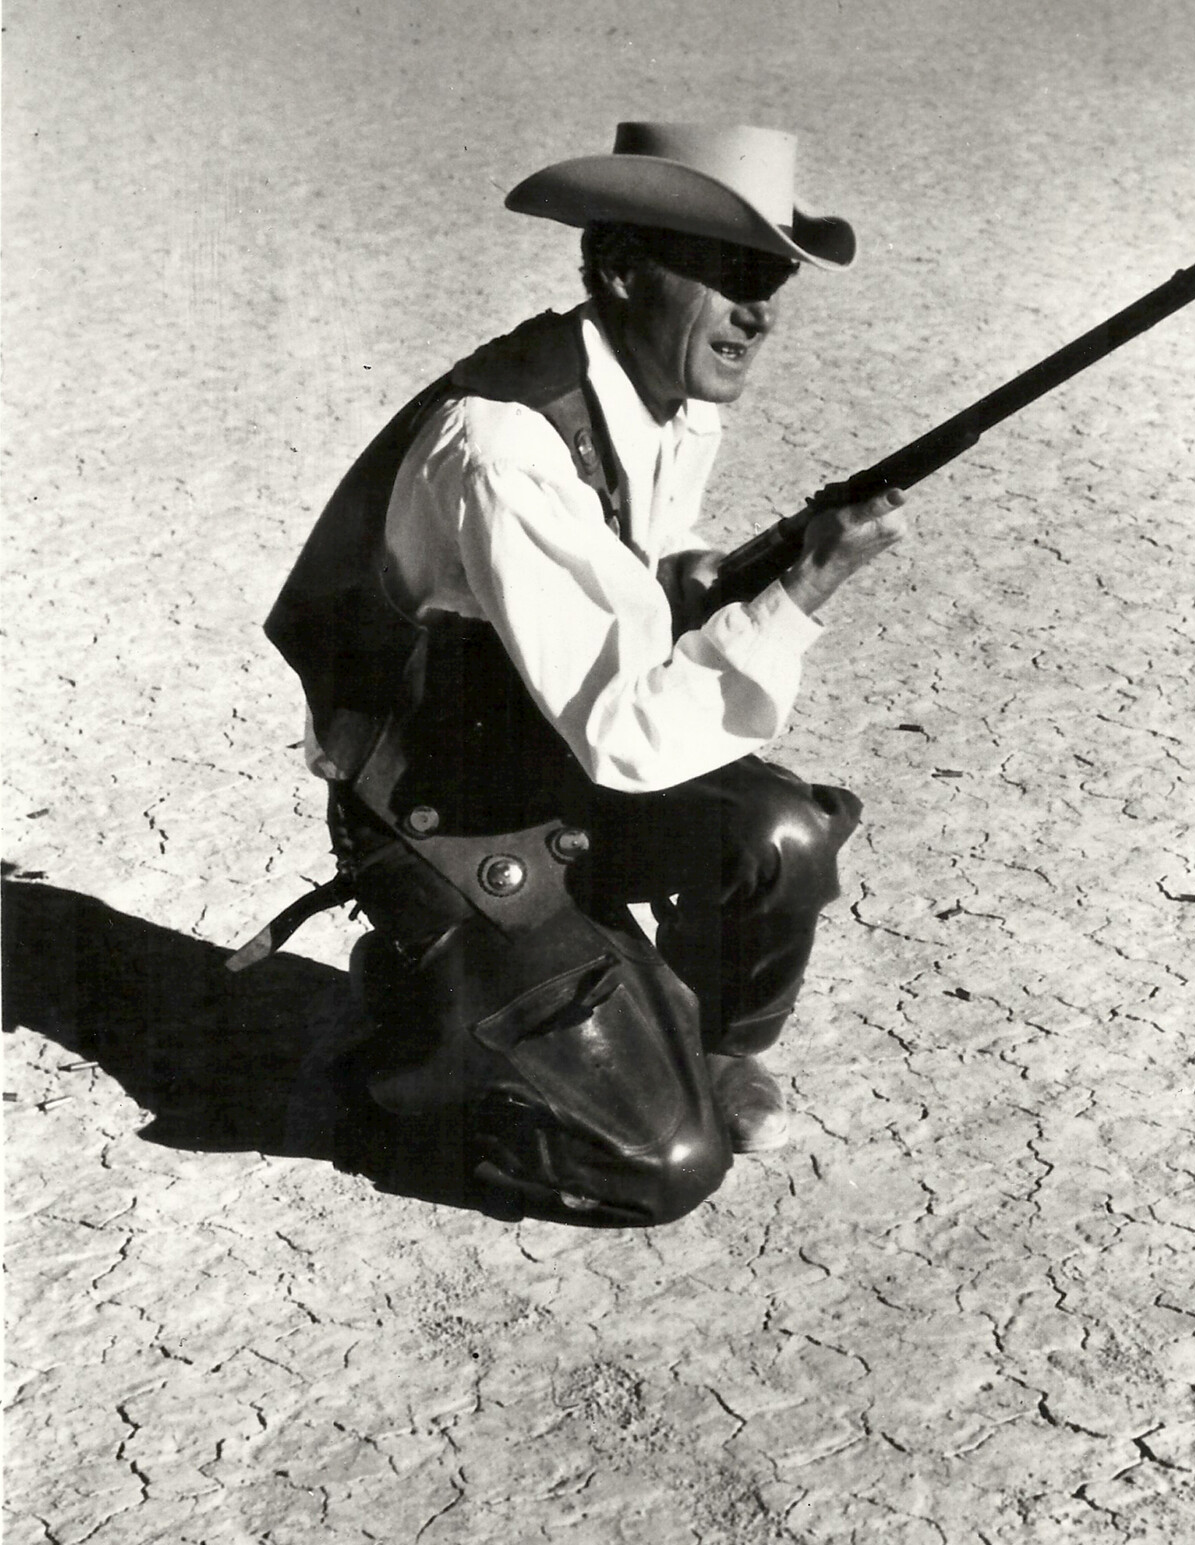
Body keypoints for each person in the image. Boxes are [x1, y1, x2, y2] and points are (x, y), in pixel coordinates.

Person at [256, 122, 907, 1227]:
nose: (759, 309)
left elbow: (623, 580)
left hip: (542, 743)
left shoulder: (663, 384)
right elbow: (627, 733)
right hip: (442, 809)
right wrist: (803, 592)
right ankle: (409, 1056)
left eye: (772, 278)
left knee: (784, 839)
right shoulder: (505, 445)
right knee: (666, 1165)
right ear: (618, 270)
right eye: (729, 273)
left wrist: (686, 574)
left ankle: (703, 1042)